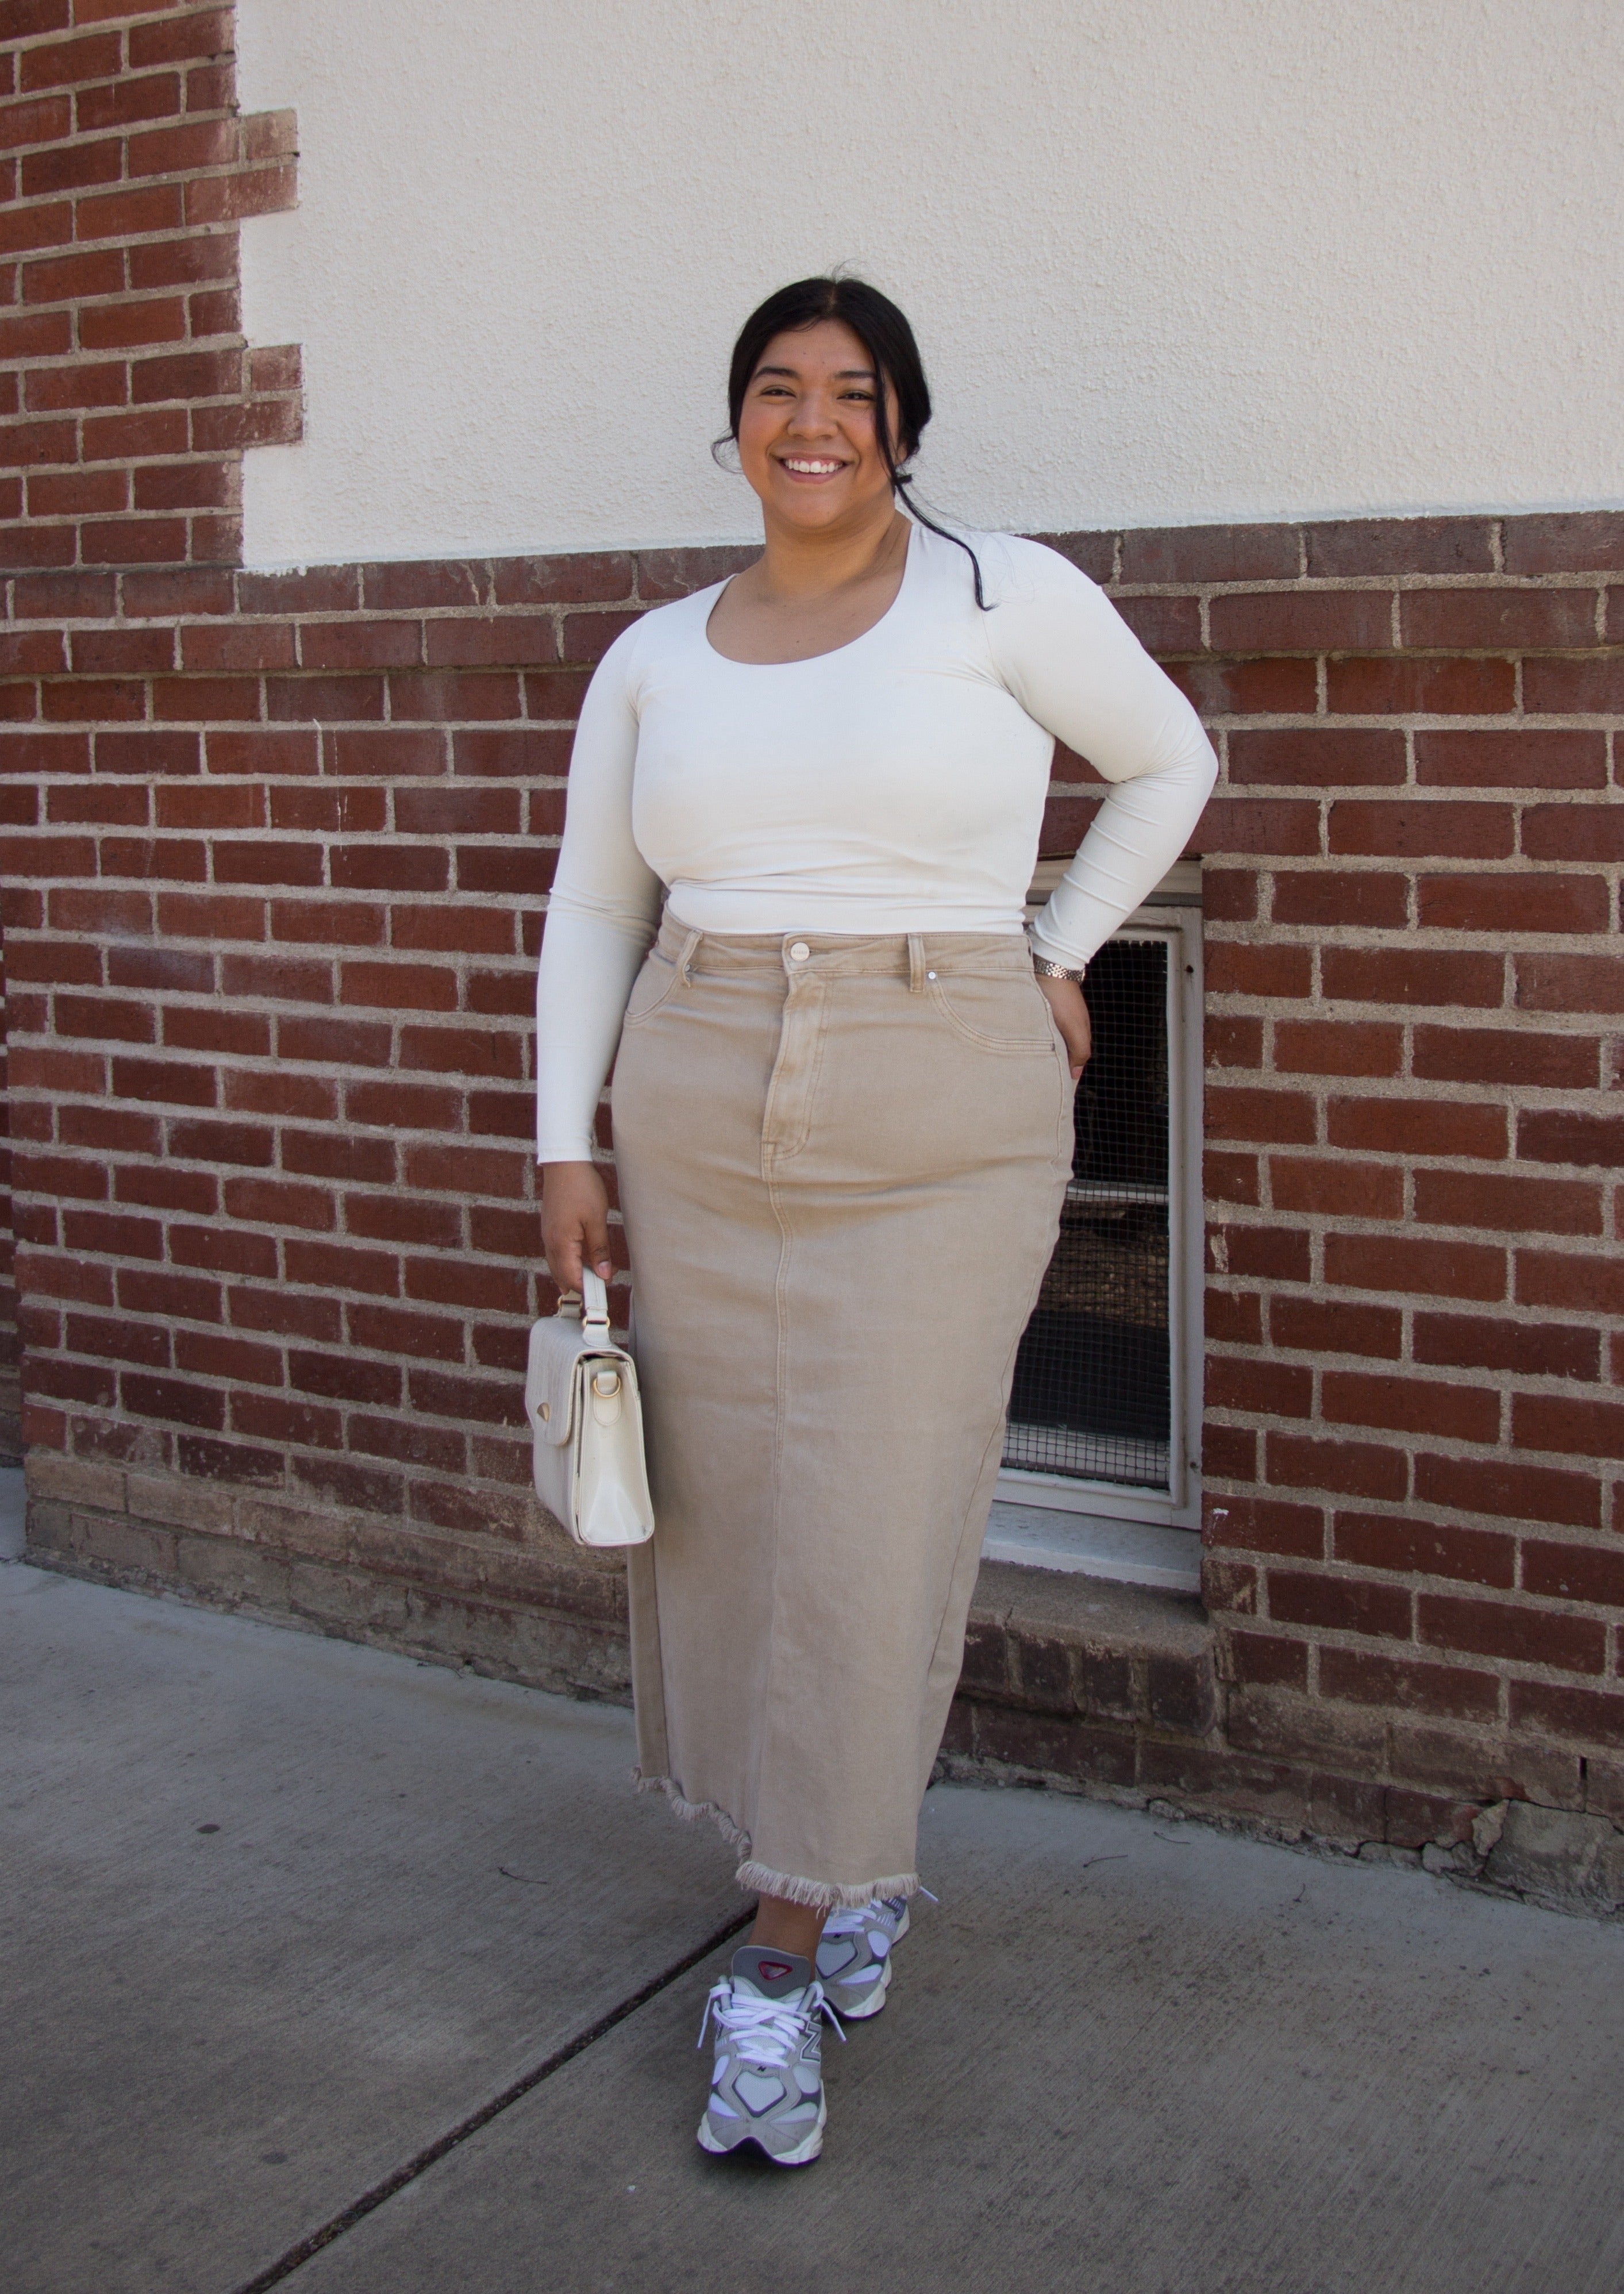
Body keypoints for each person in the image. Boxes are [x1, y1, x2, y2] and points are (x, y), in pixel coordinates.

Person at [534, 275, 1216, 2165]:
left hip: (940, 1094)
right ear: (735, 426)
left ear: (903, 427)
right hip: (696, 1083)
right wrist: (559, 1151)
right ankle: (838, 1872)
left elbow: (1169, 762)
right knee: (739, 1498)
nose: (811, 421)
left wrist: (1058, 950)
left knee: (873, 1501)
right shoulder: (655, 654)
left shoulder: (1007, 598)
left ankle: (779, 1945)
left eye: (853, 392)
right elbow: (595, 905)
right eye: (775, 388)